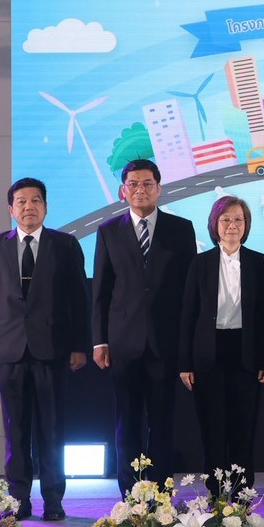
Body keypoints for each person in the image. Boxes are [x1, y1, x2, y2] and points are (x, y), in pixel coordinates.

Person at [0, 177, 90, 521]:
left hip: (52, 350)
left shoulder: (65, 244)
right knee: (16, 431)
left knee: (52, 431)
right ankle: (19, 500)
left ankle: (53, 500)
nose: (29, 207)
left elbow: (79, 299)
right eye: (22, 202)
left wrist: (80, 345)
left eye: (36, 200)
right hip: (9, 350)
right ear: (11, 209)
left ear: (46, 206)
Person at [91, 158, 195, 493]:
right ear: (123, 191)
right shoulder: (109, 231)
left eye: (147, 183)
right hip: (123, 342)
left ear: (159, 188)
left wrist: (187, 346)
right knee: (127, 422)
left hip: (166, 342)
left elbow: (189, 292)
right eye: (133, 184)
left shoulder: (181, 229)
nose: (140, 189)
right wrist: (100, 341)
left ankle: (162, 493)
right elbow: (101, 291)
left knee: (162, 422)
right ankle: (131, 493)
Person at [178, 195, 264, 497]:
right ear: (214, 225)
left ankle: (243, 494)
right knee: (213, 429)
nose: (232, 225)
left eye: (238, 220)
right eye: (225, 220)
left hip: (245, 353)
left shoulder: (257, 261)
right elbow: (188, 314)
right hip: (209, 354)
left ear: (246, 225)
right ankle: (216, 494)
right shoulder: (201, 262)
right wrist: (185, 363)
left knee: (243, 428)